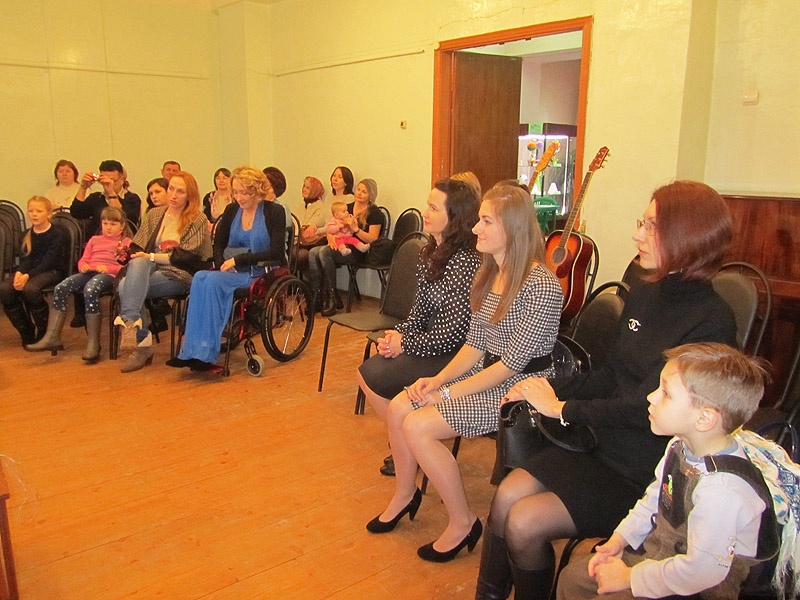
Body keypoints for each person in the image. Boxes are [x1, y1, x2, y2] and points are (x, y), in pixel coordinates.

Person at [474, 180, 739, 600]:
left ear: (687, 236)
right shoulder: (645, 291)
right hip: (602, 440)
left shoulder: (712, 320)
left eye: (650, 226)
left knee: (525, 522)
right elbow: (611, 374)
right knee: (507, 495)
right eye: (641, 223)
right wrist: (544, 386)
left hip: (647, 468)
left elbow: (642, 409)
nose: (637, 235)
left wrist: (561, 408)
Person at [366, 184, 562, 565]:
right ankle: (404, 495)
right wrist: (438, 381)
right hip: (491, 373)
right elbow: (474, 345)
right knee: (401, 407)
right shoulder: (490, 273)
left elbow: (511, 365)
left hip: (521, 390)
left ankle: (463, 523)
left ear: (512, 227)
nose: (475, 228)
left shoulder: (541, 285)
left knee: (418, 426)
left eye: (486, 221)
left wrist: (447, 394)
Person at [556, 343, 774, 600]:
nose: (651, 397)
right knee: (573, 580)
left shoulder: (722, 491)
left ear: (704, 419)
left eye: (666, 393)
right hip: (662, 552)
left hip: (700, 586)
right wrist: (621, 538)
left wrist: (628, 578)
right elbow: (654, 500)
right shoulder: (680, 446)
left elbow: (702, 572)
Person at [357, 178, 481, 477]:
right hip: (430, 341)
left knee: (374, 375)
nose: (425, 212)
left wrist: (406, 344)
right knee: (367, 373)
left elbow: (454, 333)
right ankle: (406, 445)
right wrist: (398, 335)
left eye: (433, 208)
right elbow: (420, 310)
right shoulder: (430, 252)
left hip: (458, 352)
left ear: (455, 216)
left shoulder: (465, 261)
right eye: (427, 205)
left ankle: (408, 447)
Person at [167, 166, 286, 371]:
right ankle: (191, 349)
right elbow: (219, 243)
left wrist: (239, 260)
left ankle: (205, 352)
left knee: (212, 281)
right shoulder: (232, 210)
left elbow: (276, 252)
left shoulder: (274, 211)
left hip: (259, 271)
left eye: (244, 193)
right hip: (231, 269)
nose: (239, 197)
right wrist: (221, 261)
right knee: (200, 277)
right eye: (236, 192)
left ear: (257, 190)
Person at [114, 171, 210, 373]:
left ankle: (139, 342)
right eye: (171, 189)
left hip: (179, 272)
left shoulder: (197, 218)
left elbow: (186, 257)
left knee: (126, 286)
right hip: (149, 268)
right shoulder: (155, 214)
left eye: (180, 191)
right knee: (137, 267)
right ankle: (134, 326)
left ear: (190, 195)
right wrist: (125, 252)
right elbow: (138, 245)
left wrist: (149, 256)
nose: (174, 195)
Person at [26, 207, 132, 362]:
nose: (108, 227)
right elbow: (83, 259)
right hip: (89, 272)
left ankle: (93, 343)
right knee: (61, 287)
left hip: (109, 276)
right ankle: (53, 336)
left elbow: (126, 266)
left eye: (113, 224)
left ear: (121, 226)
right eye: (105, 223)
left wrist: (108, 268)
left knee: (90, 289)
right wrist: (83, 265)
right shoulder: (94, 240)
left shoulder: (126, 242)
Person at [307, 175, 382, 316]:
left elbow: (373, 239)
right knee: (313, 252)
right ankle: (316, 296)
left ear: (371, 195)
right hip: (341, 243)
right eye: (358, 189)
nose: (359, 193)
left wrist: (356, 230)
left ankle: (332, 297)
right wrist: (330, 236)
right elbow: (331, 225)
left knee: (324, 252)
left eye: (364, 192)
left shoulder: (375, 213)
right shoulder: (347, 208)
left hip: (359, 249)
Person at [0, 197, 67, 345]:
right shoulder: (26, 234)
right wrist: (19, 273)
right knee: (5, 288)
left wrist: (27, 276)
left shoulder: (57, 234)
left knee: (30, 289)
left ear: (49, 214)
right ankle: (26, 330)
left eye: (39, 211)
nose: (34, 214)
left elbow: (49, 260)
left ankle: (44, 332)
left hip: (52, 270)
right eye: (31, 211)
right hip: (30, 271)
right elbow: (26, 258)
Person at [71, 159, 141, 236]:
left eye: (111, 180)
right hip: (96, 240)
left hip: (121, 240)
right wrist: (83, 187)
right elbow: (76, 213)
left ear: (121, 180)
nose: (106, 183)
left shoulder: (132, 199)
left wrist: (111, 193)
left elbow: (121, 217)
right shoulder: (96, 197)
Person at [296, 176, 327, 272]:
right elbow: (295, 223)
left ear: (314, 190)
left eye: (308, 187)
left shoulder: (321, 206)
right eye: (304, 186)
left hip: (311, 244)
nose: (304, 189)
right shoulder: (301, 206)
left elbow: (311, 225)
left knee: (300, 256)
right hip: (298, 242)